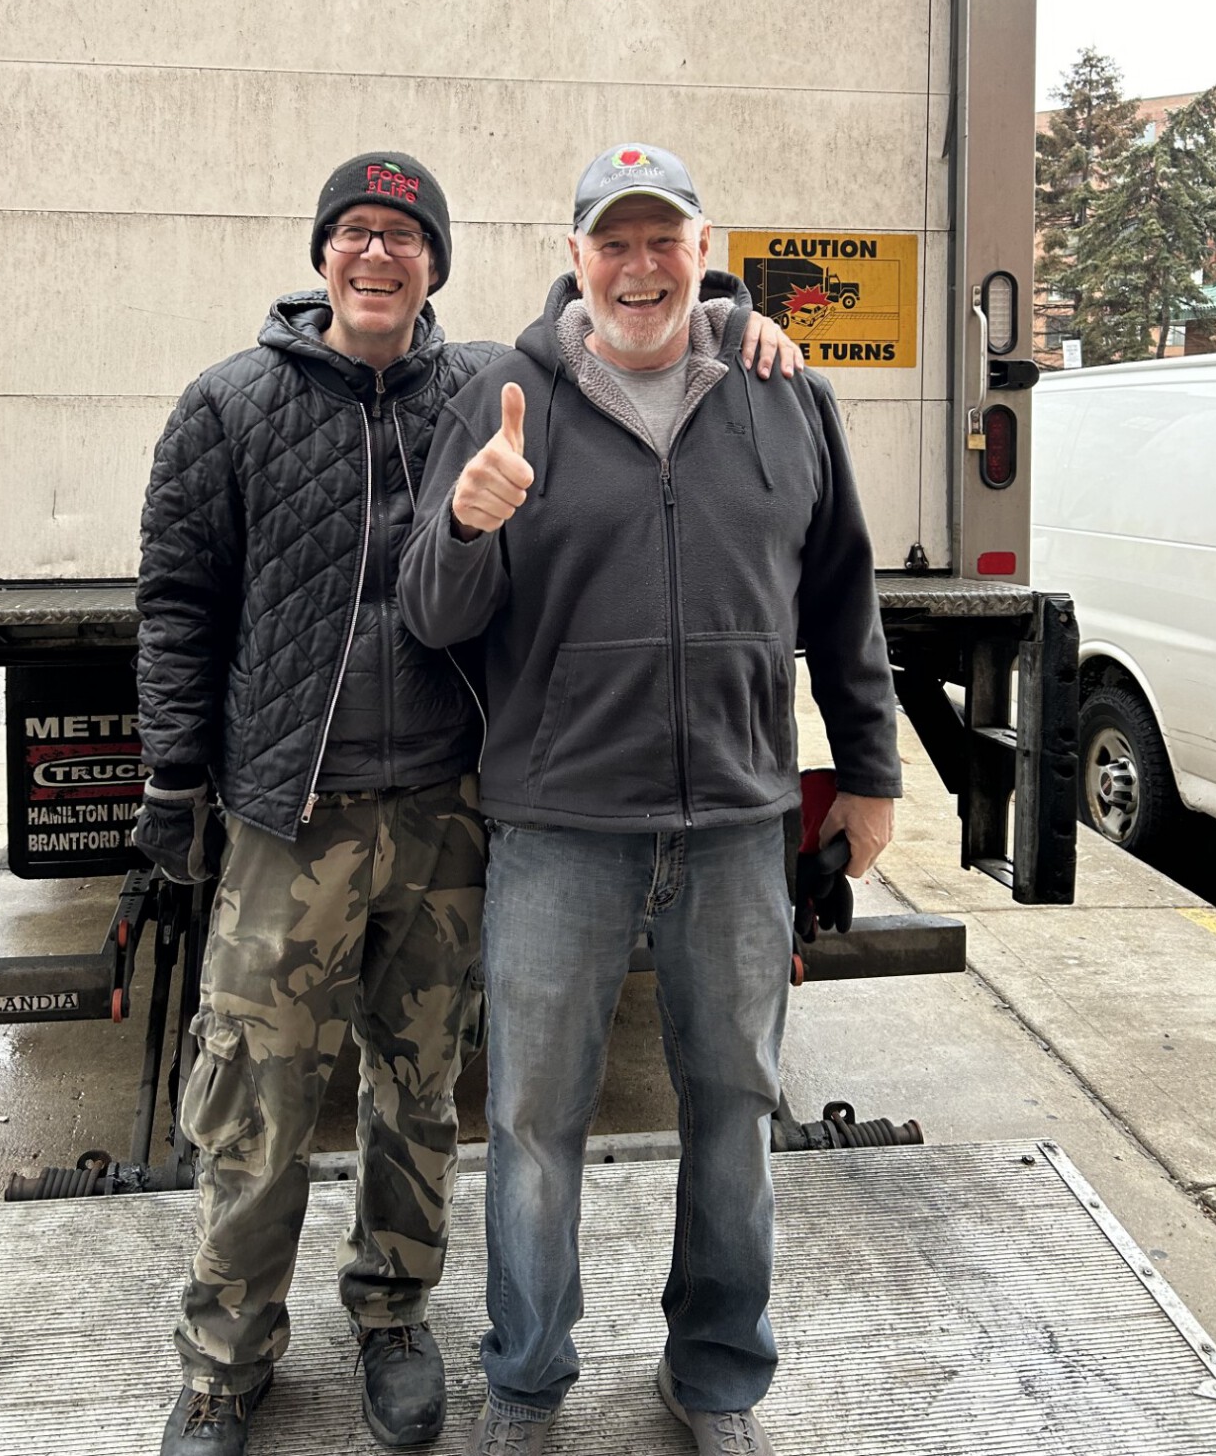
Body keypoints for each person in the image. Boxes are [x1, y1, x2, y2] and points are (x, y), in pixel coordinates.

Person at [133, 147, 805, 1456]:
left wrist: (740, 321)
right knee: (253, 1104)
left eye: (405, 236)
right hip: (293, 820)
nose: (378, 255)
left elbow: (639, 333)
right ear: (321, 253)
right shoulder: (229, 407)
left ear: (436, 262)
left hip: (447, 812)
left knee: (420, 1093)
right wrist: (173, 771)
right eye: (356, 233)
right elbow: (174, 607)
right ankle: (224, 1363)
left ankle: (392, 1314)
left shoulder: (492, 387)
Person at [399, 143, 901, 1456]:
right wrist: (463, 523)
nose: (636, 268)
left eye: (659, 239)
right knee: (529, 1121)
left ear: (700, 247)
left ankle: (717, 1375)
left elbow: (841, 593)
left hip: (737, 825)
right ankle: (523, 1379)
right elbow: (430, 614)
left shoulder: (780, 394)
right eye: (608, 243)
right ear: (573, 257)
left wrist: (868, 769)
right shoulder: (506, 395)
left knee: (733, 1114)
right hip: (559, 829)